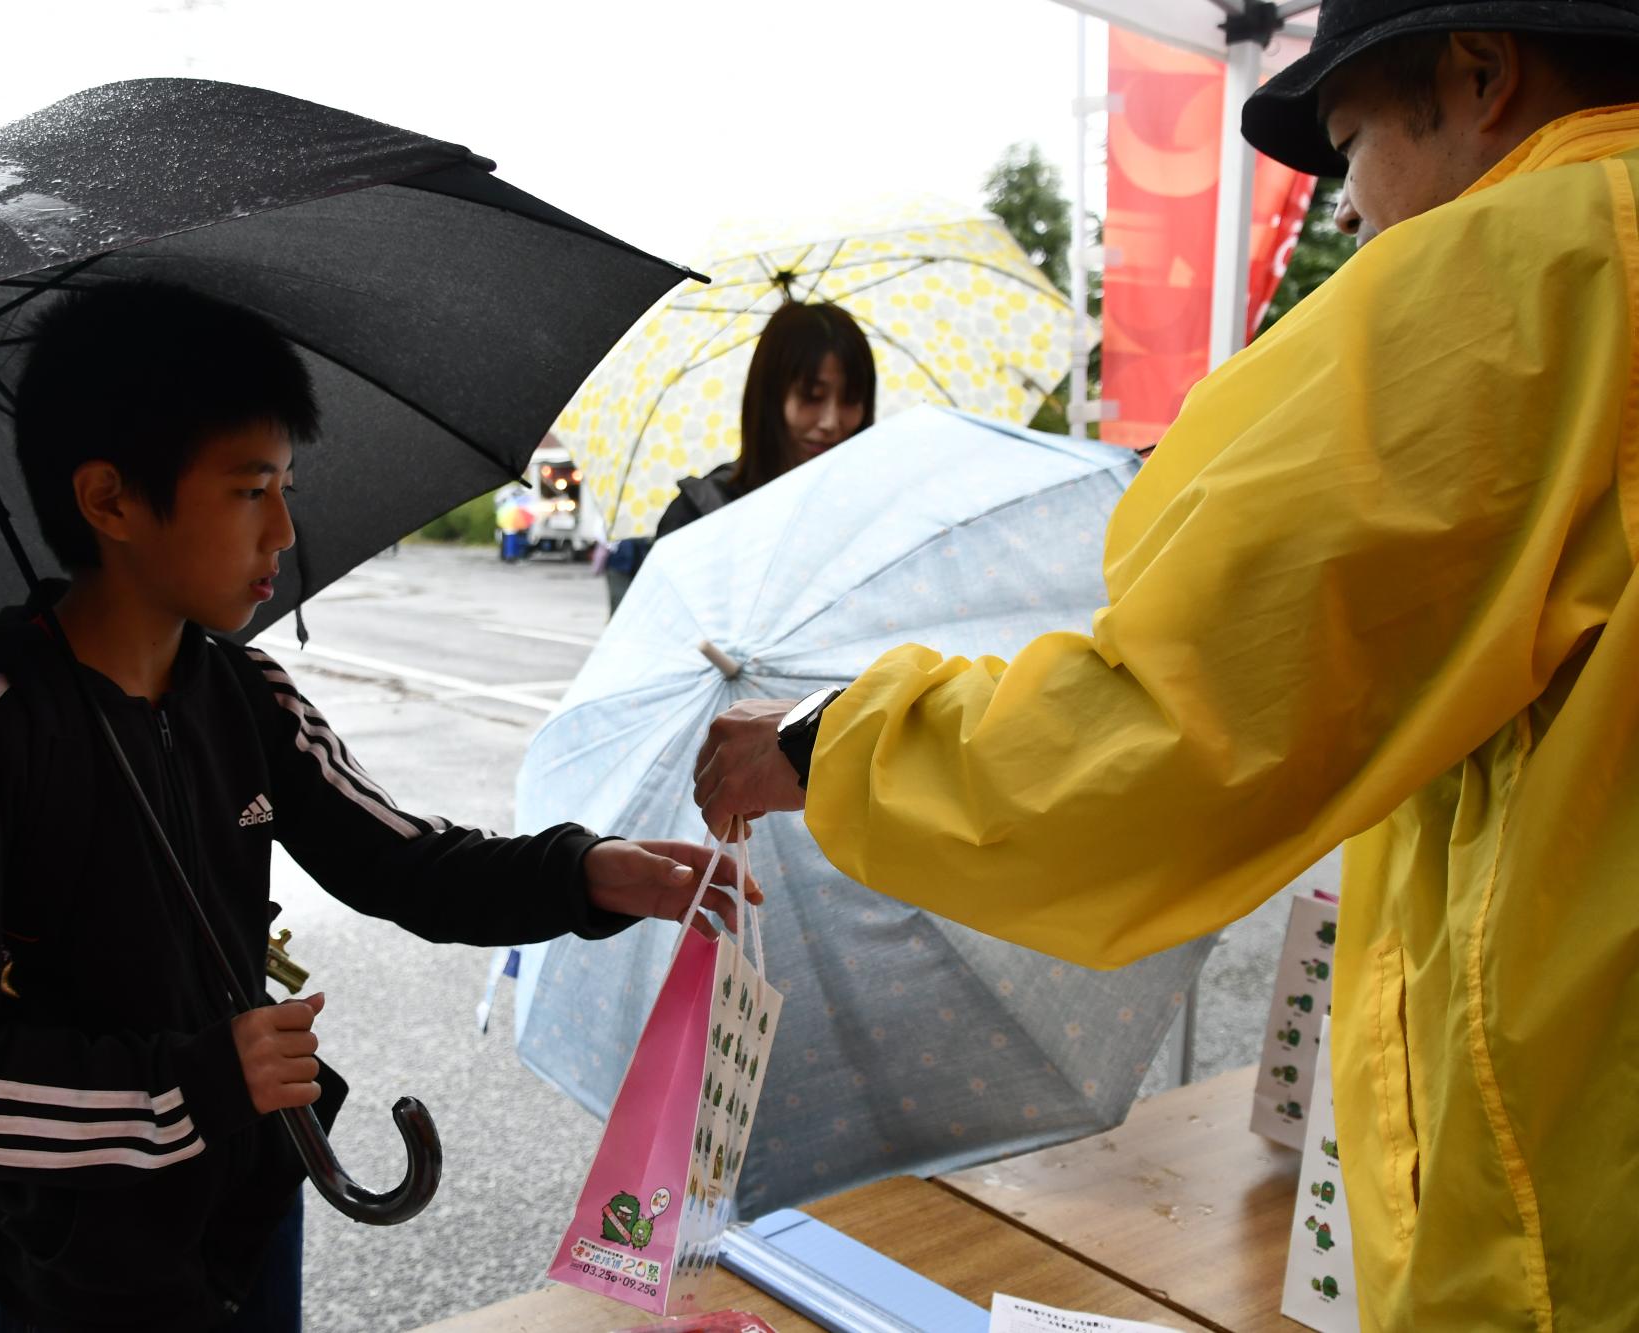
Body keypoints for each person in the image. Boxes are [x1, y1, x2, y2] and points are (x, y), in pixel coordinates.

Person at [693, 5, 1639, 1329]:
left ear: (1481, 76)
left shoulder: (1525, 274)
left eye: (1351, 146)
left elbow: (1177, 723)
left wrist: (824, 743)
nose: (1350, 217)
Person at [0, 280, 750, 1333]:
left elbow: (402, 860)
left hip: (243, 1208)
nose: (283, 530)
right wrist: (190, 1081)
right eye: (247, 490)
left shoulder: (245, 694)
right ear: (111, 500)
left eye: (287, 486)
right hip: (62, 1266)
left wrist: (581, 871)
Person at [606, 300, 875, 610]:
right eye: (811, 396)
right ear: (770, 396)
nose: (831, 422)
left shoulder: (877, 511)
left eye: (851, 399)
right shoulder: (700, 518)